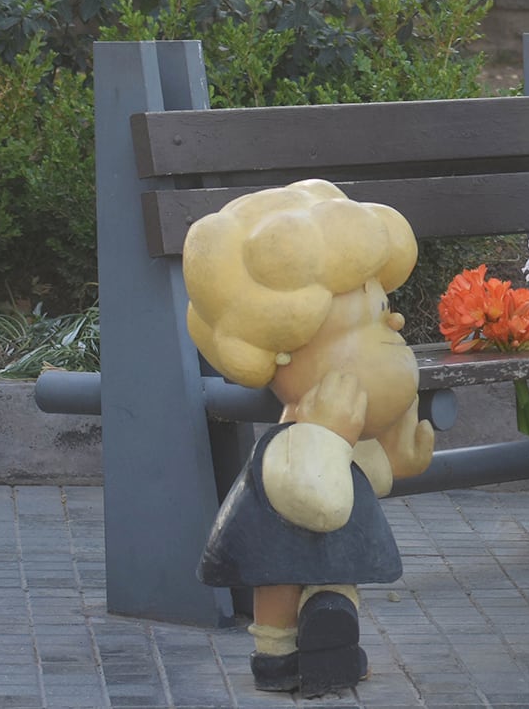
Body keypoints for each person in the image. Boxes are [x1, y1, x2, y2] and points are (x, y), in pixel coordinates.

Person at [183, 179, 435, 694]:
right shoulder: (293, 440)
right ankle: (277, 652)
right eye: (367, 314)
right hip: (282, 521)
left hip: (334, 489)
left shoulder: (332, 430)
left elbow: (352, 481)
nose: (395, 319)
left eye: (382, 303)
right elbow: (316, 499)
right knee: (280, 574)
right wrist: (328, 436)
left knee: (336, 572)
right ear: (284, 348)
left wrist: (390, 460)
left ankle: (333, 633)